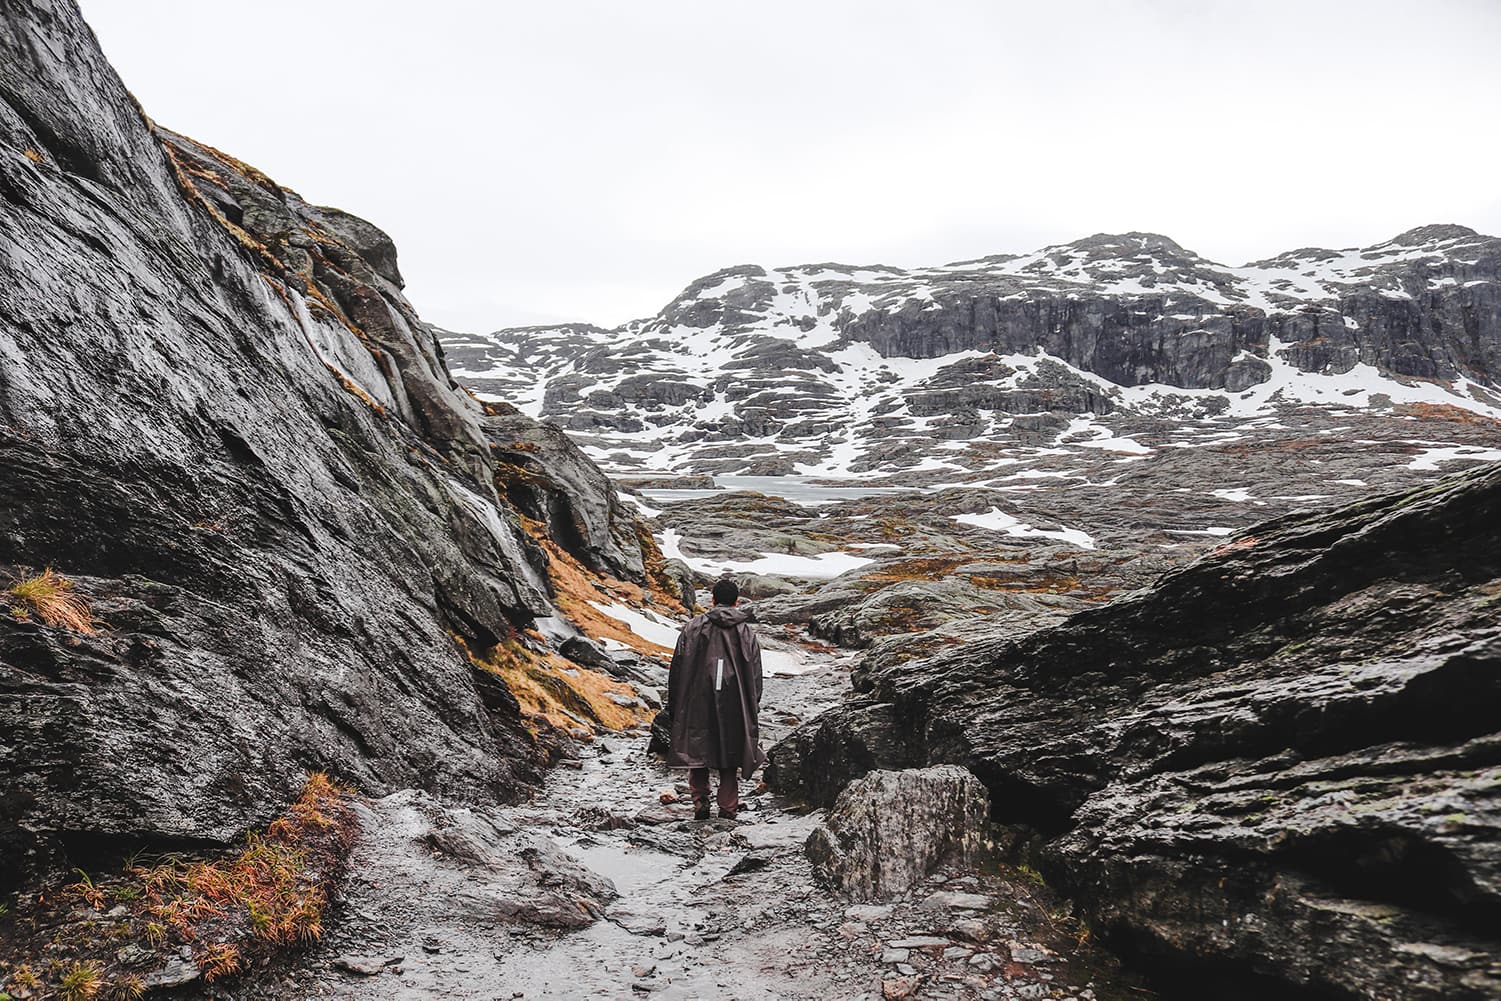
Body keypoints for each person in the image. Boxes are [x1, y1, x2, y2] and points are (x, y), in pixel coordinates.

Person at [664, 578, 766, 820]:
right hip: (735, 700)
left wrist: (675, 703)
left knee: (698, 749)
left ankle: (700, 802)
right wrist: (753, 705)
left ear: (712, 600)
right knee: (730, 752)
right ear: (736, 602)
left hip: (697, 698)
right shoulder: (746, 633)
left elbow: (677, 666)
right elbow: (755, 673)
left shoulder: (693, 627)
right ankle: (728, 807)